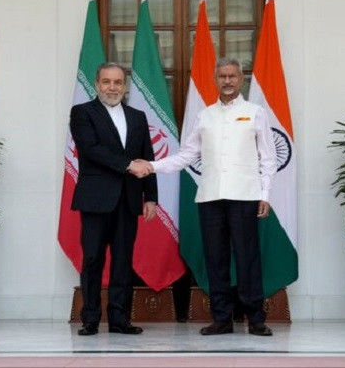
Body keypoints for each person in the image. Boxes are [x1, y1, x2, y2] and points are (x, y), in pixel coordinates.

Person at [129, 57, 276, 337]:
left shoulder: (255, 112)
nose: (227, 81)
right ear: (215, 79)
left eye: (232, 76)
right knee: (215, 259)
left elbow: (268, 159)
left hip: (244, 195)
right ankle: (222, 319)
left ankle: (256, 319)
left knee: (247, 258)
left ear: (241, 79)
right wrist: (152, 166)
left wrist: (265, 194)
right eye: (222, 76)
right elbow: (186, 155)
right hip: (210, 197)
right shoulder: (204, 115)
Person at [70, 62, 158, 336]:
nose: (112, 87)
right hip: (96, 198)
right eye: (107, 81)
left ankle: (120, 320)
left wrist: (151, 197)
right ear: (97, 84)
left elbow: (147, 157)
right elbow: (91, 149)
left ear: (125, 85)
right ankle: (90, 319)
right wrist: (128, 165)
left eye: (118, 82)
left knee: (123, 261)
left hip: (129, 199)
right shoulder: (82, 112)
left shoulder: (137, 116)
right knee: (93, 259)